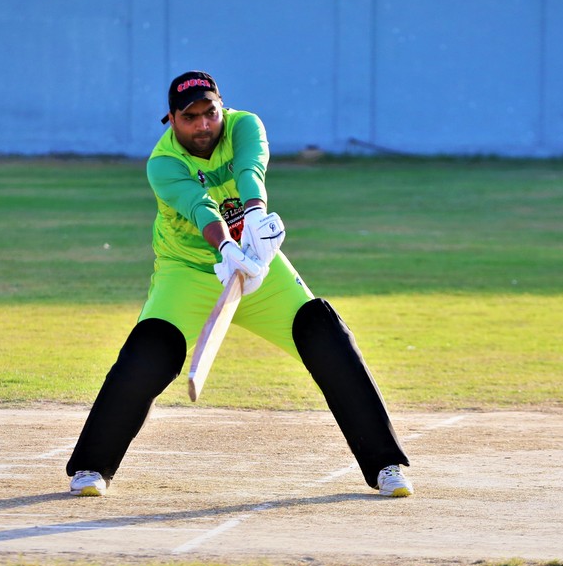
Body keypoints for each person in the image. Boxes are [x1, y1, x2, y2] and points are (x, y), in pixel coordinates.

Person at [64, 71, 413, 498]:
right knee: (150, 351)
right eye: (190, 117)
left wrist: (256, 223)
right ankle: (91, 468)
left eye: (210, 113)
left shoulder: (244, 125)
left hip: (258, 266)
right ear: (171, 119)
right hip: (188, 271)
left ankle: (386, 465)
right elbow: (199, 207)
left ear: (221, 107)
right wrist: (226, 247)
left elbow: (250, 171)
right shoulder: (163, 163)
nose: (203, 125)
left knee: (325, 334)